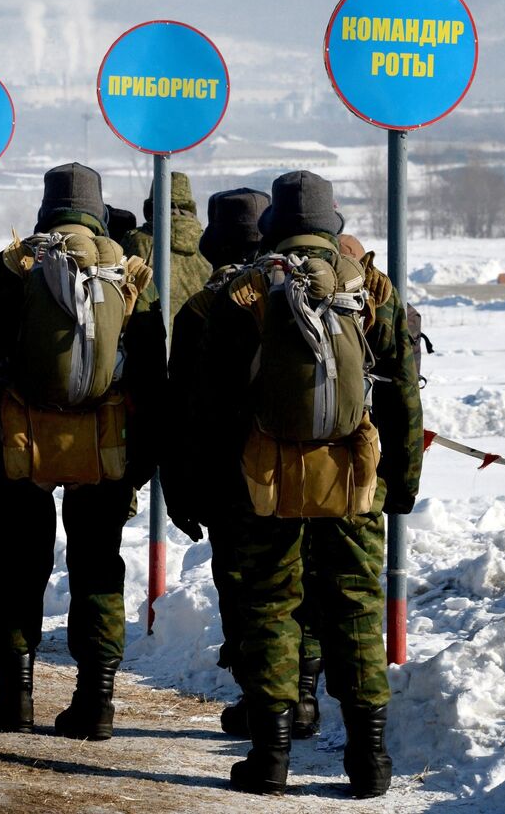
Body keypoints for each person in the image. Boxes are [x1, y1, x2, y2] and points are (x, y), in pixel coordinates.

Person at [200, 170, 423, 798]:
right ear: (335, 226)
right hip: (354, 482)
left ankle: (270, 761)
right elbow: (402, 398)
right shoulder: (371, 289)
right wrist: (398, 483)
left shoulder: (243, 293)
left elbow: (213, 405)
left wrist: (221, 486)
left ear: (272, 227)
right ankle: (370, 761)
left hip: (266, 482)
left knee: (270, 607)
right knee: (355, 605)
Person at [0, 162, 167, 739]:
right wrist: (139, 463)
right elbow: (151, 375)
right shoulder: (128, 272)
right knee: (97, 566)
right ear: (97, 209)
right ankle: (95, 704)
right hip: (104, 448)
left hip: (21, 445)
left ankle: (14, 699)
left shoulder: (14, 265)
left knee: (18, 564)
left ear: (46, 210)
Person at [162, 187, 269, 728]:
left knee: (242, 584)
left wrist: (180, 488)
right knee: (296, 582)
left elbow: (184, 409)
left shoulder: (203, 309)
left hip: (234, 476)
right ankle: (302, 696)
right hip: (310, 469)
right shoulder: (306, 290)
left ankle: (260, 701)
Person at [122, 171, 211, 320]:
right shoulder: (206, 242)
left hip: (150, 338)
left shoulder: (138, 241)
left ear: (151, 205)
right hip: (197, 338)